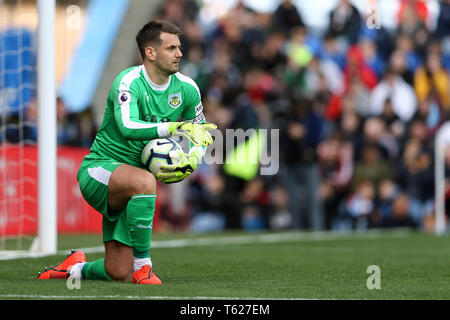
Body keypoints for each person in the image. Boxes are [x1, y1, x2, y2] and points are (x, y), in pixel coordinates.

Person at [36, 20, 216, 285]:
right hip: (100, 169)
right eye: (171, 48)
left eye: (179, 47)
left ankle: (73, 268)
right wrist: (173, 127)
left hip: (132, 188)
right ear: (150, 52)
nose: (179, 53)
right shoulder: (128, 81)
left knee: (117, 270)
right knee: (145, 181)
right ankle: (144, 267)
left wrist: (193, 158)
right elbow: (128, 126)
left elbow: (200, 131)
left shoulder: (187, 89)